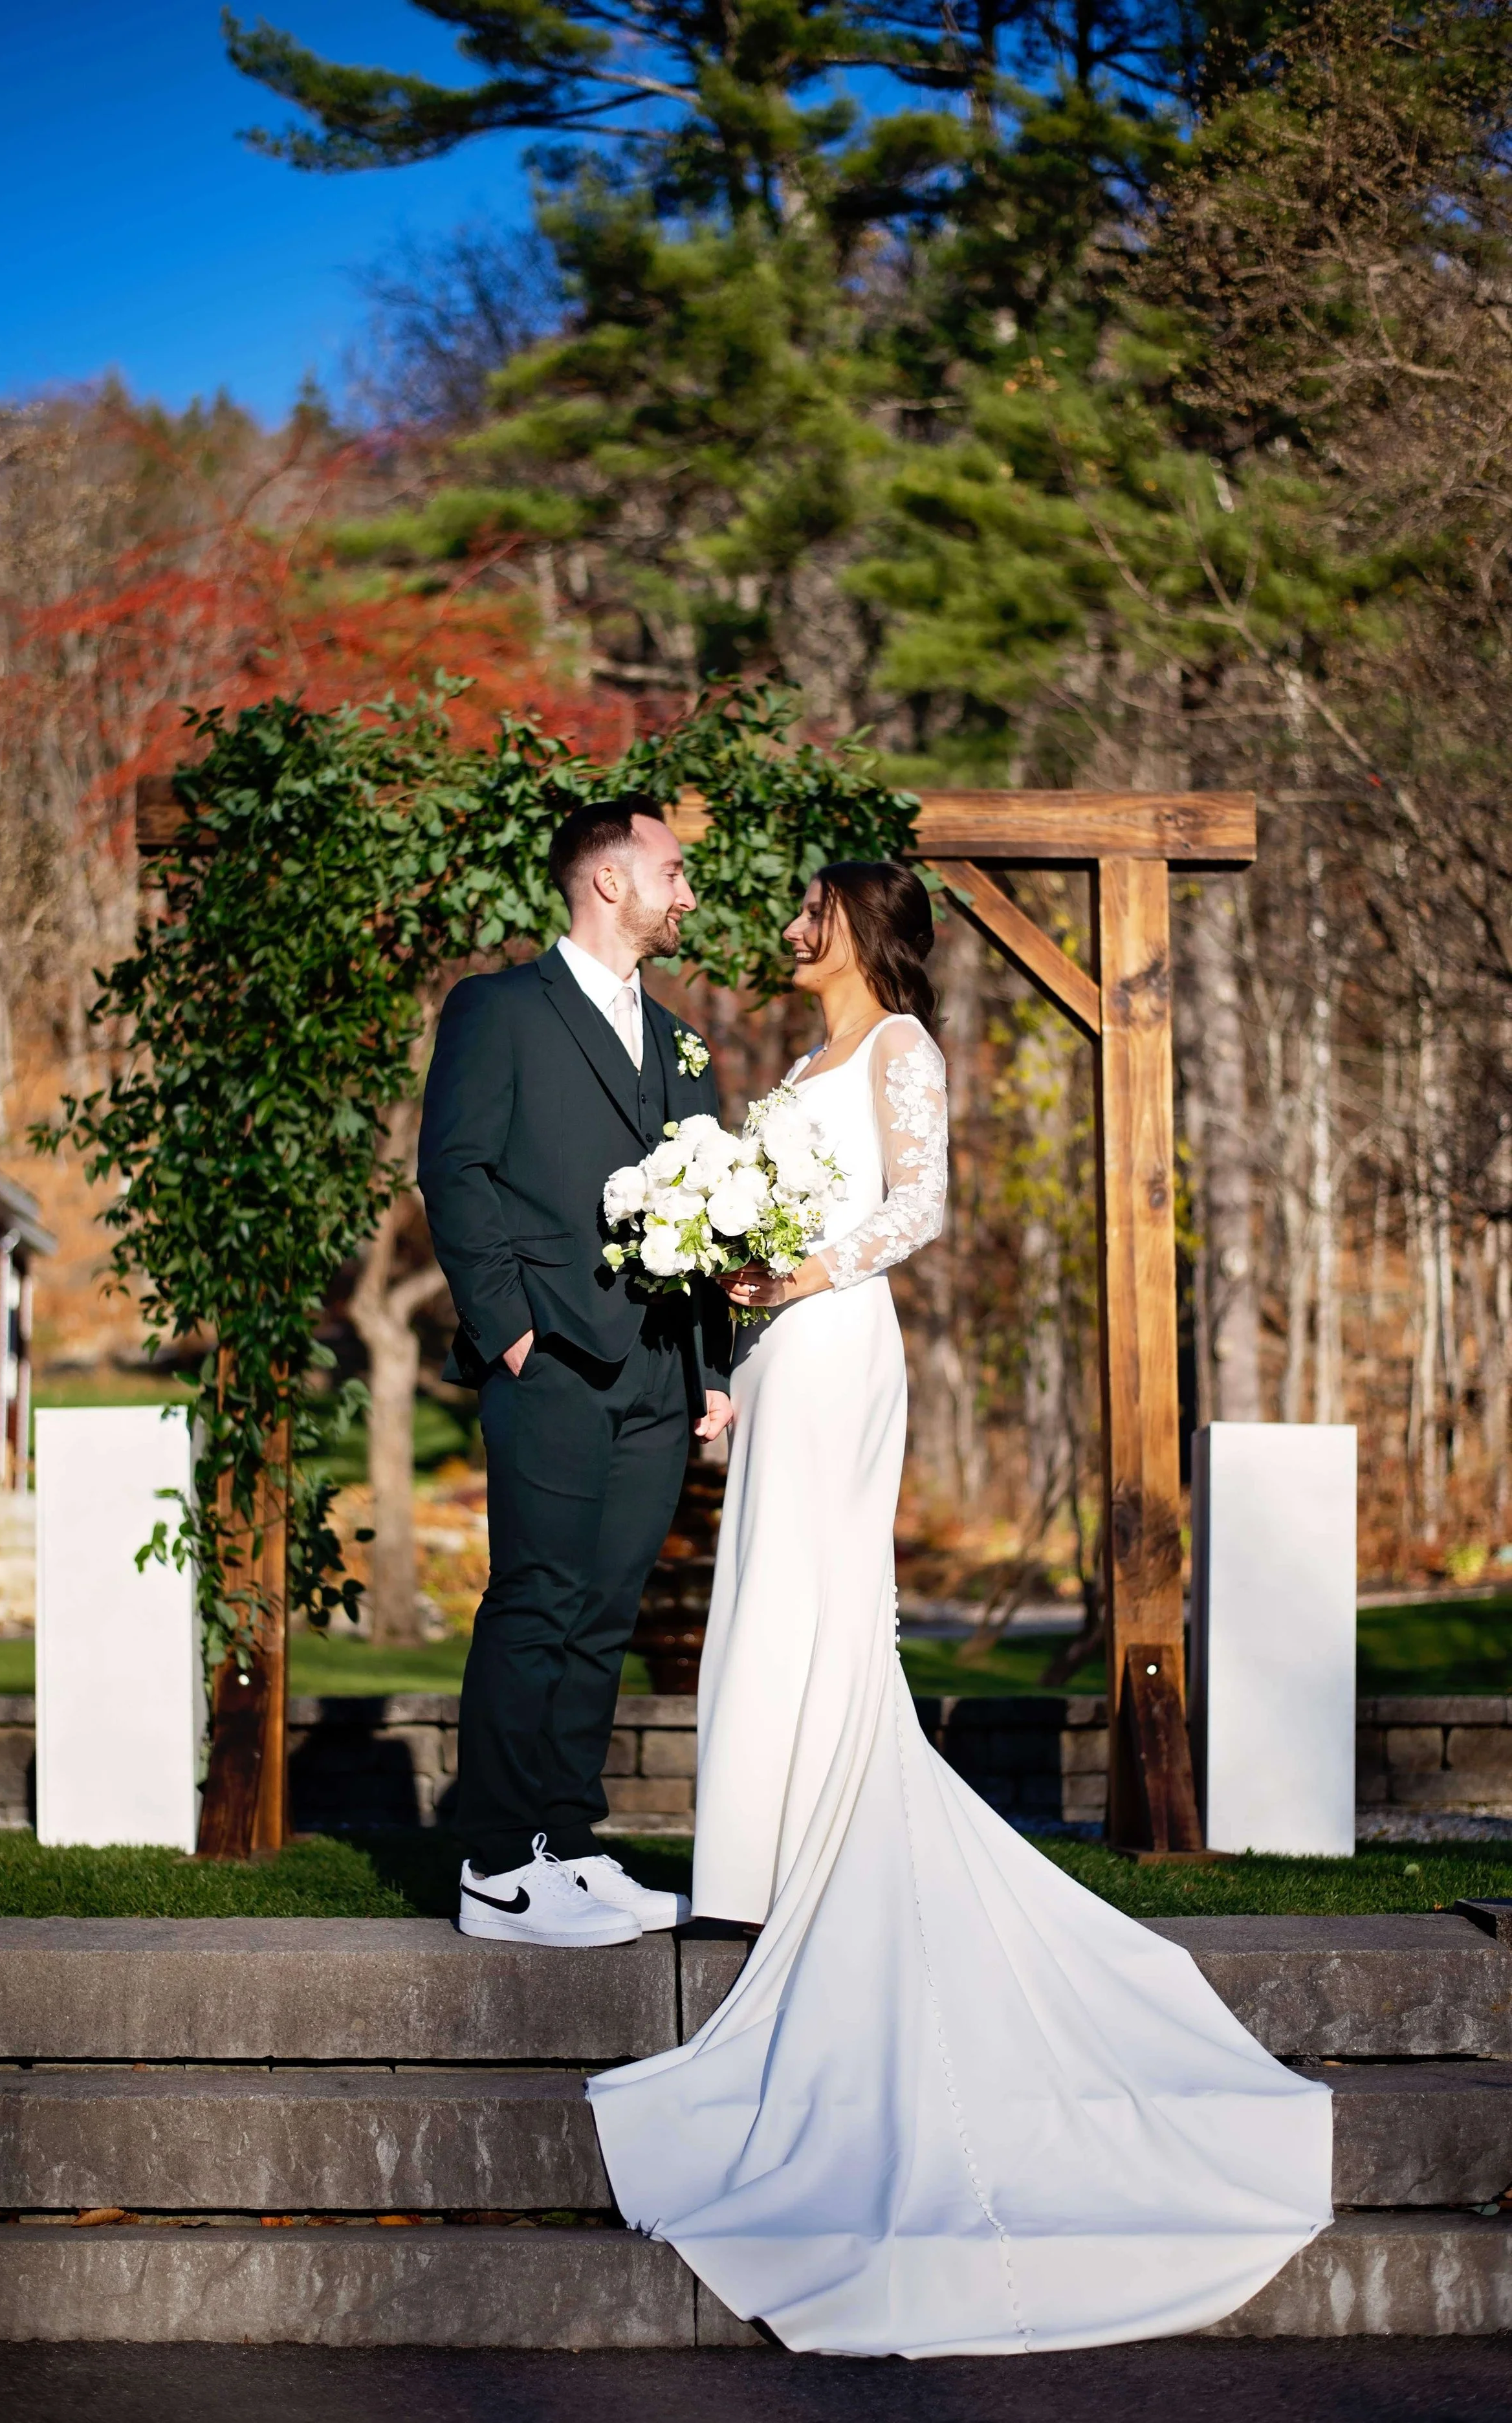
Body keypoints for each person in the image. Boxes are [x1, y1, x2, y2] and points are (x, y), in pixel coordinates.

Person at [587, 861, 1333, 2354]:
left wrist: (802, 1270)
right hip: (782, 1351)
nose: (789, 931)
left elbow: (918, 1203)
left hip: (839, 1338)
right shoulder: (798, 1061)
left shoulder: (899, 1047)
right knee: (764, 1600)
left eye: (809, 912)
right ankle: (768, 1851)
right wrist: (729, 1283)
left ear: (859, 929)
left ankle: (816, 1843)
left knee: (815, 1599)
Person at [419, 795, 732, 1949]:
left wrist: (711, 1366)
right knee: (537, 1600)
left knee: (604, 1615)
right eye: (673, 870)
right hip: (549, 1354)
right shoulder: (499, 1008)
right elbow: (455, 1169)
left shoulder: (684, 1042)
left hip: (660, 1373)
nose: (686, 891)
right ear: (611, 880)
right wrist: (509, 1326)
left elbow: (711, 1203)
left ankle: (567, 1842)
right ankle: (499, 1868)